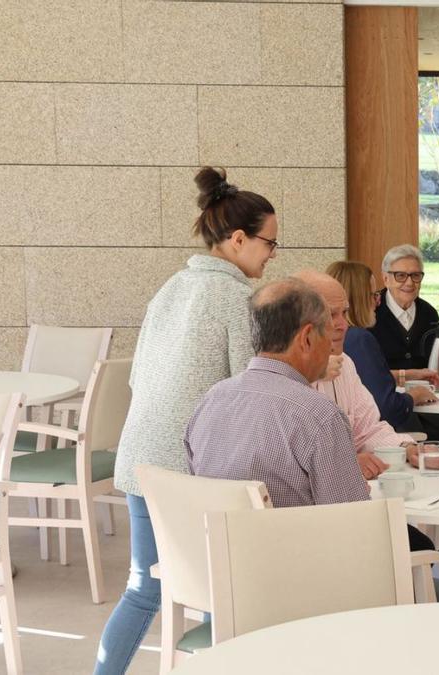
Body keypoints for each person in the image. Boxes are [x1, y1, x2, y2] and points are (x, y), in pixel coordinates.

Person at [185, 278, 439, 602]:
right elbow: (354, 529)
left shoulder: (210, 401)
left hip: (227, 585)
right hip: (307, 590)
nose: (341, 329)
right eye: (328, 322)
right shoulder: (317, 415)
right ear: (308, 337)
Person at [97, 167, 277, 674]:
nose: (271, 254)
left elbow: (140, 377)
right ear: (238, 239)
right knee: (218, 589)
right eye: (269, 243)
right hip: (189, 467)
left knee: (145, 588)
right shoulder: (237, 299)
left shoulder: (171, 287)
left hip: (141, 458)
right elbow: (252, 387)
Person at [293, 270, 418, 480]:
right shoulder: (282, 375)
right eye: (331, 315)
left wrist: (404, 446)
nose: (343, 325)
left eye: (344, 312)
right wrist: (347, 463)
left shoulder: (346, 365)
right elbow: (290, 460)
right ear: (298, 323)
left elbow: (367, 430)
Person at [368, 244, 439, 449]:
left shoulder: (429, 313)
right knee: (419, 437)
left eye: (416, 276)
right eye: (400, 276)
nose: (409, 283)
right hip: (385, 401)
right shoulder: (372, 312)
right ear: (386, 278)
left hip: (426, 398)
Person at [327, 261, 439, 430]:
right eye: (374, 295)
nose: (378, 302)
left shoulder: (336, 339)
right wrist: (415, 395)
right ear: (359, 300)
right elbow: (386, 408)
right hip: (375, 438)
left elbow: (363, 379)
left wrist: (406, 375)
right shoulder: (359, 339)